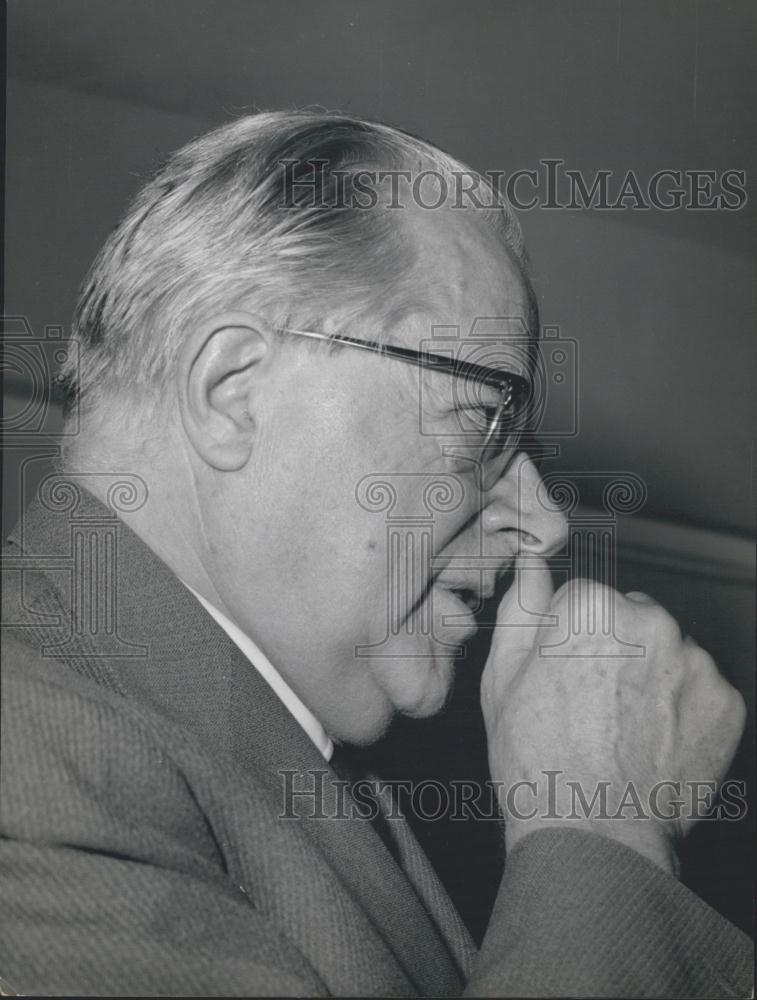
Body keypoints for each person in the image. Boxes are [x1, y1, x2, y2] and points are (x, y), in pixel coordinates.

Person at [0, 111, 751, 997]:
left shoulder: (260, 756)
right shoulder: (34, 746)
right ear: (233, 393)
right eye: (483, 416)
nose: (543, 523)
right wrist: (606, 829)